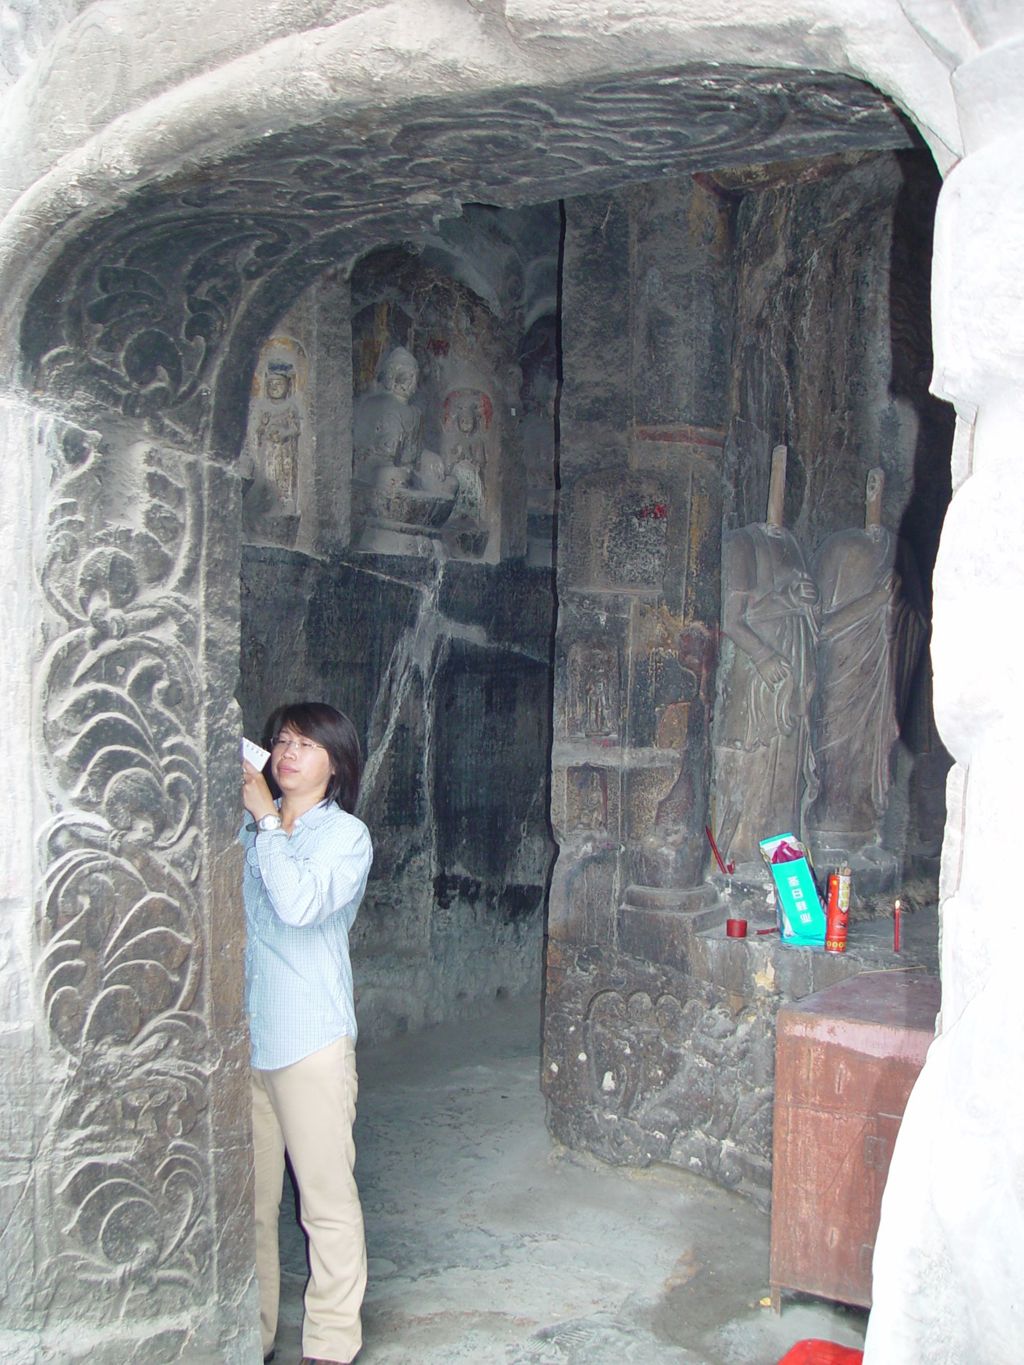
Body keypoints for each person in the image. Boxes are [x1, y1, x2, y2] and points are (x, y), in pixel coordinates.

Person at [241, 702, 373, 1365]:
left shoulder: (344, 837)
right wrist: (255, 820)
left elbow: (296, 905)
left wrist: (268, 819)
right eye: (280, 741)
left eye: (304, 744)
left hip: (310, 1041)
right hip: (248, 1041)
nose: (287, 752)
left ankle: (329, 1343)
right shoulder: (248, 832)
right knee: (252, 1206)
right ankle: (254, 1332)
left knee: (324, 1200)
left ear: (336, 761)